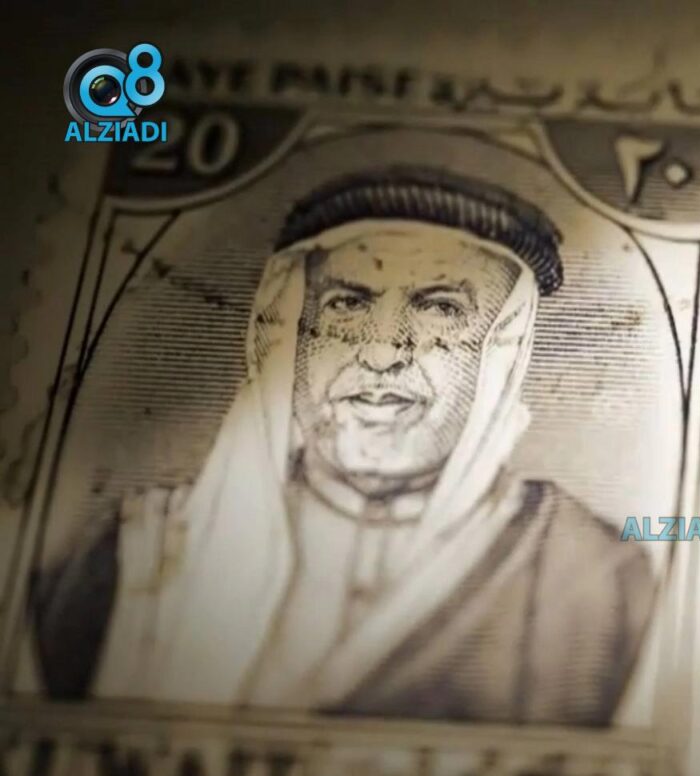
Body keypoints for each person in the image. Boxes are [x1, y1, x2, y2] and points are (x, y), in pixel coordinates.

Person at [30, 166, 655, 727]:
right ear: (291, 336)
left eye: (439, 308)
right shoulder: (130, 556)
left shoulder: (590, 575)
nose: (381, 353)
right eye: (347, 304)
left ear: (501, 350)